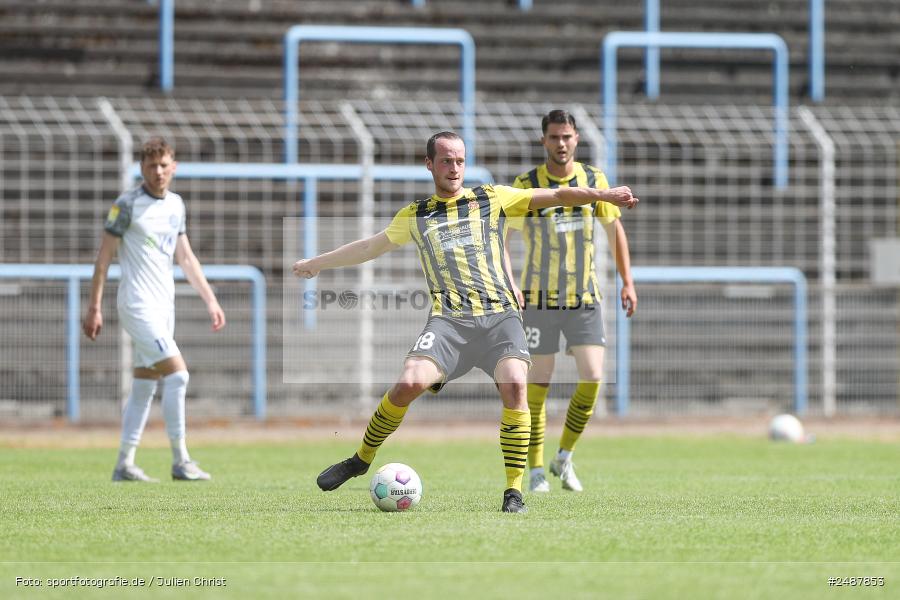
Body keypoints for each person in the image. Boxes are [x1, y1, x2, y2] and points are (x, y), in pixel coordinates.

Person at [293, 131, 638, 513]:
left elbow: (556, 196)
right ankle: (360, 459)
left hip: (499, 319)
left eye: (459, 160)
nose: (454, 168)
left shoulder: (491, 198)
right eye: (445, 160)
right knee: (408, 383)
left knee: (516, 387)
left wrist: (602, 195)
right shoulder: (416, 215)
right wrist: (316, 264)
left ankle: (514, 491)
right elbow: (367, 247)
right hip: (449, 323)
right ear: (430, 165)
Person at [506, 109, 637, 494]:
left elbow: (615, 232)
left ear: (576, 139)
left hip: (584, 298)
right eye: (553, 137)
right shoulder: (526, 183)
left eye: (567, 137)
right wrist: (510, 283)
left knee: (593, 376)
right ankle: (534, 471)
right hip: (538, 300)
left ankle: (564, 456)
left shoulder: (595, 180)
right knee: (538, 385)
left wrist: (628, 281)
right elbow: (505, 237)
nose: (560, 144)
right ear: (543, 140)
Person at [83, 137, 226, 483]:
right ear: (142, 169)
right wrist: (94, 306)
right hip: (136, 305)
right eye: (151, 166)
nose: (158, 171)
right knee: (178, 375)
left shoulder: (176, 205)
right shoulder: (126, 205)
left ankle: (124, 464)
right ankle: (181, 460)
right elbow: (103, 259)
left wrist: (210, 299)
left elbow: (186, 258)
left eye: (164, 165)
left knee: (145, 384)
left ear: (173, 166)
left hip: (164, 308)